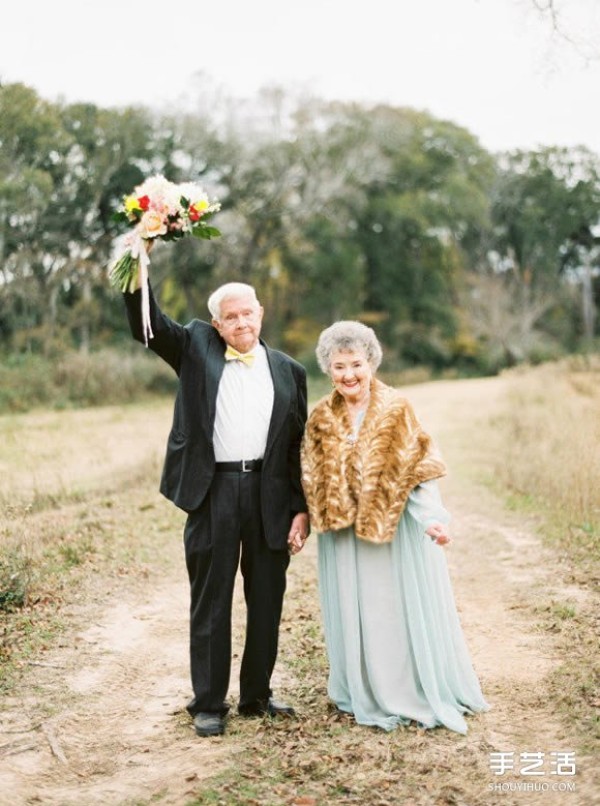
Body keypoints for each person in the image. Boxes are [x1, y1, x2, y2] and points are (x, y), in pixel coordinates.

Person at [124, 276, 309, 738]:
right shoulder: (193, 350)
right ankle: (208, 702)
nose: (241, 322)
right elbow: (148, 327)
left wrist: (302, 509)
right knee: (211, 600)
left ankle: (256, 696)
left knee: (267, 598)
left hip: (270, 493)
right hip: (213, 492)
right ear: (217, 324)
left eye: (248, 313)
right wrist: (136, 265)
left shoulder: (290, 370)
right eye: (231, 316)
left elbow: (297, 449)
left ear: (260, 313)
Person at [301, 321, 488, 734]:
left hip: (391, 531)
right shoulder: (319, 416)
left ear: (371, 362)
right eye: (338, 366)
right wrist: (302, 521)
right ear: (327, 370)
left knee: (388, 610)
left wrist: (433, 521)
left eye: (356, 364)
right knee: (353, 609)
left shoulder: (395, 407)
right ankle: (361, 688)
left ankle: (401, 690)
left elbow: (418, 470)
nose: (348, 374)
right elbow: (310, 476)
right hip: (341, 535)